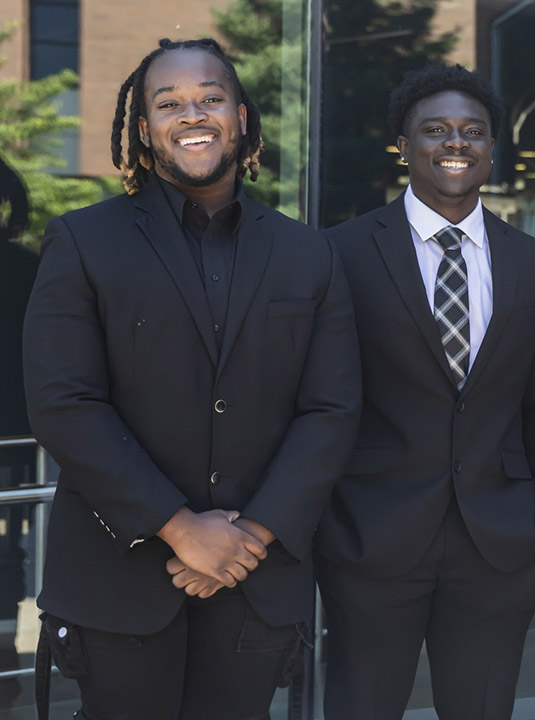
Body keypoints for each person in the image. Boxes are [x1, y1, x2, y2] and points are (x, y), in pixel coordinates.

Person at [22, 37, 361, 720]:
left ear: (240, 117)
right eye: (169, 102)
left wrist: (251, 536)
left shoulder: (310, 252)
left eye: (211, 97)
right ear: (144, 130)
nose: (193, 113)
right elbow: (64, 403)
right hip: (118, 576)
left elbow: (332, 409)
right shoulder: (83, 241)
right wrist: (180, 528)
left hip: (255, 577)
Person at [315, 64, 535, 720]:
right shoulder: (339, 253)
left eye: (473, 131)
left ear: (492, 147)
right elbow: (316, 397)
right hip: (370, 541)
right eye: (434, 130)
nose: (455, 142)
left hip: (499, 543)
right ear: (403, 146)